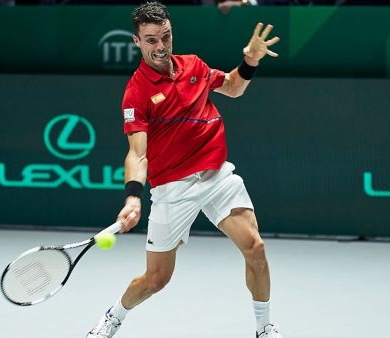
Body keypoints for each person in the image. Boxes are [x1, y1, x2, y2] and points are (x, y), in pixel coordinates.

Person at [86, 1, 282, 338]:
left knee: (256, 248)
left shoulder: (194, 65)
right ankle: (113, 317)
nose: (160, 46)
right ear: (136, 42)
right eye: (151, 40)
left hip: (216, 174)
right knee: (156, 279)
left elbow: (233, 87)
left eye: (165, 37)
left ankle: (264, 327)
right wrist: (133, 197)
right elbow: (137, 153)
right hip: (172, 187)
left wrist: (249, 61)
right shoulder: (137, 92)